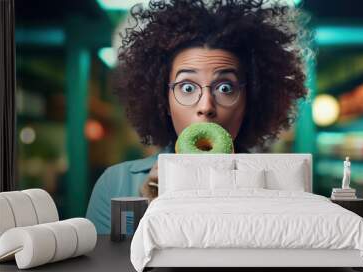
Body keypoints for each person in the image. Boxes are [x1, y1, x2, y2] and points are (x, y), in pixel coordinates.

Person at [86, 0, 314, 234]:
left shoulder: (280, 188)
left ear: (251, 100)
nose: (206, 106)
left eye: (225, 88)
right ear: (164, 100)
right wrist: (153, 212)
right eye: (187, 87)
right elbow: (111, 269)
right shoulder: (116, 185)